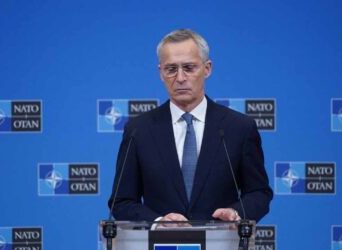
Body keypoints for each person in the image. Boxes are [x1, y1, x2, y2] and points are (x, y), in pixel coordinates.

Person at [108, 29, 273, 224]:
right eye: (171, 69)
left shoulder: (239, 127)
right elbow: (121, 201)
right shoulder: (138, 130)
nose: (180, 78)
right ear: (160, 72)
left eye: (189, 67)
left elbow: (259, 193)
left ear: (207, 68)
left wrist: (235, 212)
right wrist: (158, 221)